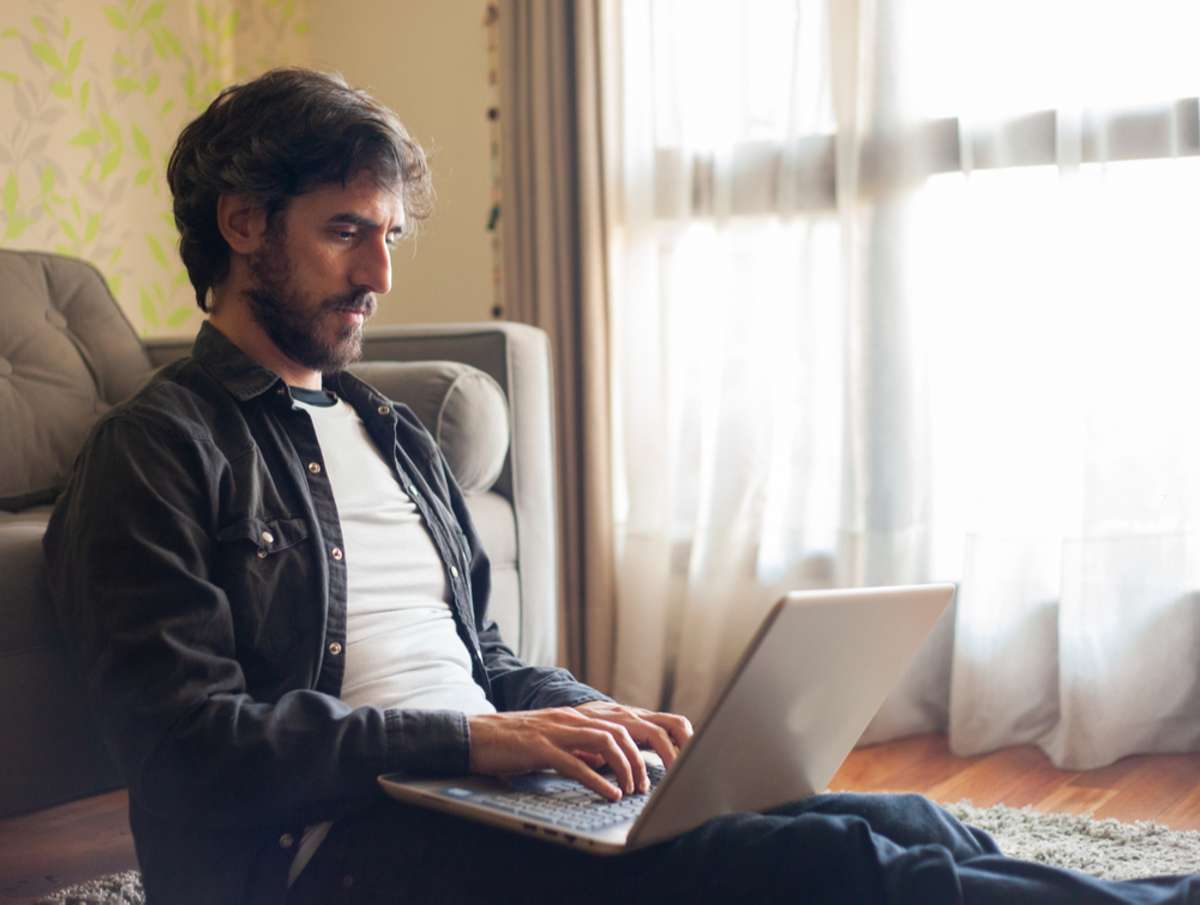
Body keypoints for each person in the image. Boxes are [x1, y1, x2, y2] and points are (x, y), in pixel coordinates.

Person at [43, 68, 1198, 905]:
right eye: (348, 232)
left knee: (883, 815)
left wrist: (591, 718)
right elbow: (190, 747)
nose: (381, 273)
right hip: (323, 852)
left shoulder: (388, 430)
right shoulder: (154, 452)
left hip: (468, 790)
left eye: (388, 233)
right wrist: (481, 744)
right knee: (808, 868)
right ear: (241, 226)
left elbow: (484, 661)